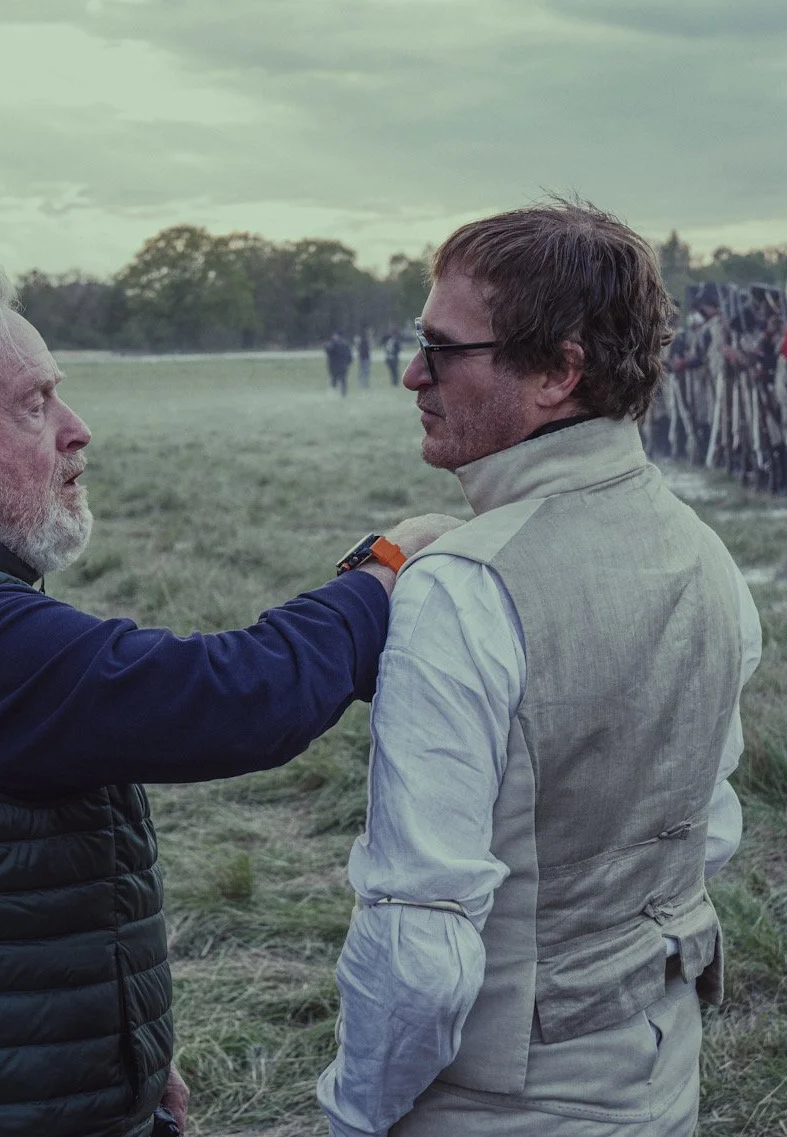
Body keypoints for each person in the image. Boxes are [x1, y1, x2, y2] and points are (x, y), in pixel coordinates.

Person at [0, 251, 457, 1137]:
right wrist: (382, 574)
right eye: (33, 403)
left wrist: (113, 1066)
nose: (77, 428)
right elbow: (237, 696)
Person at [317, 200, 761, 1137]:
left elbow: (418, 943)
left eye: (444, 349)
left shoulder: (461, 590)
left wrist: (355, 1113)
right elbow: (705, 831)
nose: (411, 374)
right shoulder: (706, 553)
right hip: (659, 1076)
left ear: (560, 371)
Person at [327, 330, 354, 396]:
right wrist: (348, 363)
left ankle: (334, 392)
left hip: (335, 366)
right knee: (343, 380)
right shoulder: (346, 344)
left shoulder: (333, 345)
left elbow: (328, 352)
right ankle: (343, 393)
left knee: (335, 380)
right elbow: (350, 356)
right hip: (343, 365)